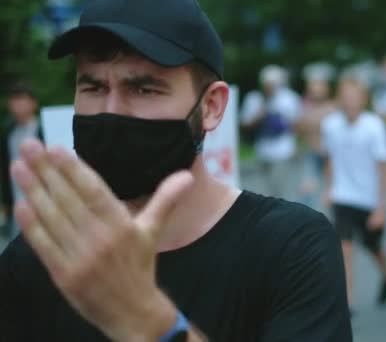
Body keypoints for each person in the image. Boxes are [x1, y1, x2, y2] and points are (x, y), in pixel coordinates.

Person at [0, 0, 352, 341]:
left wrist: (148, 321)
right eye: (93, 87)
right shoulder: (36, 260)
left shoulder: (290, 248)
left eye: (143, 88)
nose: (112, 111)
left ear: (211, 107)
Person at [322, 75, 386, 311]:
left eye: (354, 97)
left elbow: (383, 169)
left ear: (363, 99)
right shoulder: (331, 125)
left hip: (368, 200)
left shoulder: (374, 126)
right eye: (345, 97)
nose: (350, 102)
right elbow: (330, 159)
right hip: (343, 196)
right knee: (345, 248)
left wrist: (381, 207)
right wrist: (329, 187)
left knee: (374, 248)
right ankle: (347, 301)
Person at [241, 64, 301, 200]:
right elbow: (245, 124)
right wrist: (259, 116)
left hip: (283, 151)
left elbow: (296, 124)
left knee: (280, 191)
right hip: (262, 150)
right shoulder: (254, 98)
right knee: (264, 192)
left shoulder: (289, 99)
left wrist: (295, 145)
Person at [0, 82, 44, 239]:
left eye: (22, 99)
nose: (17, 104)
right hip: (17, 202)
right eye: (14, 99)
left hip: (42, 202)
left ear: (33, 103)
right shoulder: (8, 134)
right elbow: (5, 172)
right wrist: (6, 203)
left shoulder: (43, 129)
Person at [295, 62, 336, 209]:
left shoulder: (333, 108)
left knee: (329, 195)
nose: (315, 89)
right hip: (312, 156)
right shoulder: (305, 108)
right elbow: (299, 131)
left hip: (330, 157)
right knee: (307, 194)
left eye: (318, 85)